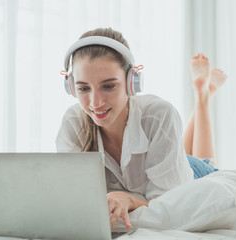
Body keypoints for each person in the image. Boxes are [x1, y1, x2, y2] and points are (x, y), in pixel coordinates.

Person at [56, 27, 227, 229]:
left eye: (109, 86)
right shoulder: (72, 123)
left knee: (202, 160)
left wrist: (130, 200)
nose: (96, 102)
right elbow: (76, 202)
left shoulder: (159, 114)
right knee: (184, 148)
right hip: (162, 162)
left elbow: (169, 205)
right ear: (71, 87)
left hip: (193, 171)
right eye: (83, 88)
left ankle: (203, 98)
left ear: (132, 83)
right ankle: (205, 92)